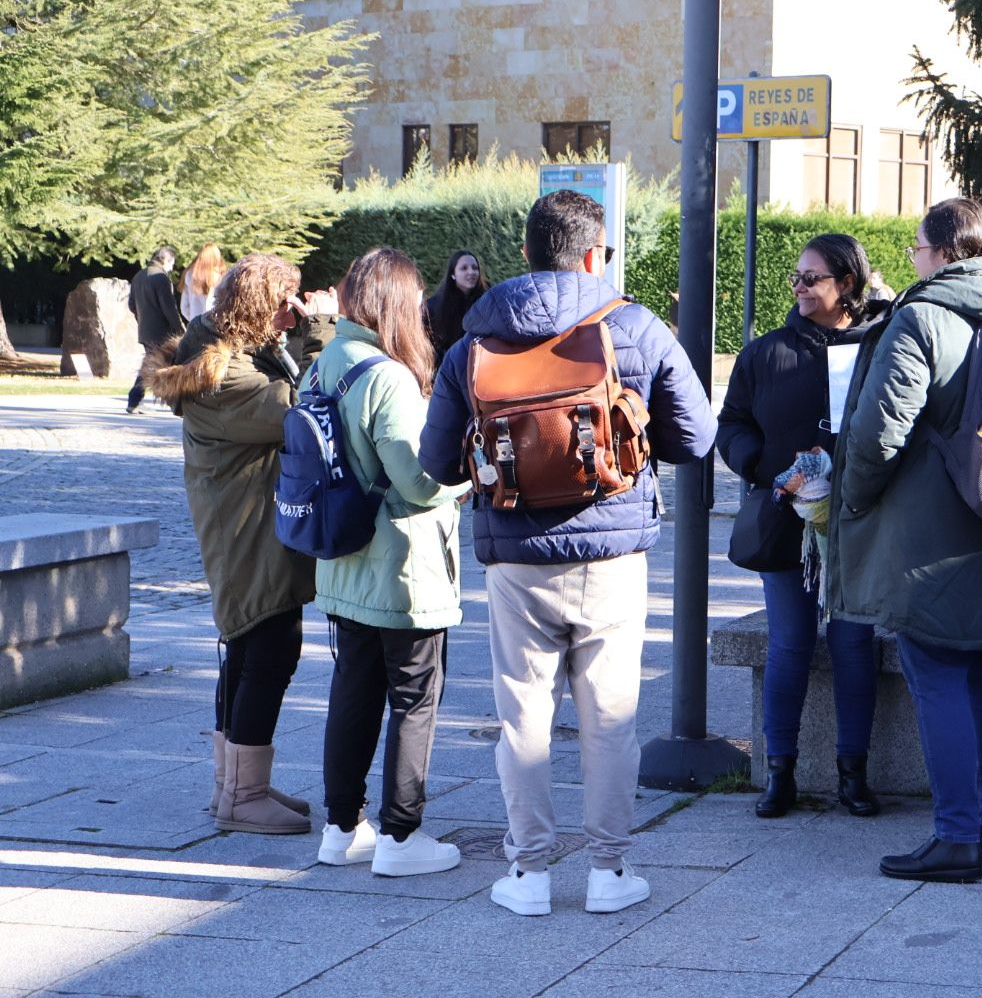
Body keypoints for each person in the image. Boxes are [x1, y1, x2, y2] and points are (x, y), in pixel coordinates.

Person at [419, 189, 716, 916]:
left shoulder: (474, 342)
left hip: (516, 559)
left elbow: (439, 463)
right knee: (610, 715)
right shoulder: (635, 328)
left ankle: (527, 875)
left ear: (526, 253)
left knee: (524, 716)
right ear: (595, 254)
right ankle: (609, 873)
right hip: (611, 556)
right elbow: (698, 438)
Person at [828, 197, 982, 883]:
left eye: (917, 250)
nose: (913, 261)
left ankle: (956, 837)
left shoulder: (922, 318)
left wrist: (854, 500)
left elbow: (876, 434)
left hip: (934, 534)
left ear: (942, 255)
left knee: (938, 677)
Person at [145, 254, 338, 835]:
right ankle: (242, 797)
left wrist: (297, 331)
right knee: (269, 648)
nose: (293, 313)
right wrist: (322, 331)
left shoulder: (222, 351)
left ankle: (233, 785)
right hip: (243, 528)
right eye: (286, 303)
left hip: (240, 520)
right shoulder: (222, 375)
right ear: (258, 308)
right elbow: (301, 410)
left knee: (250, 649)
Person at [309, 248, 469, 877]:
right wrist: (469, 477)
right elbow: (420, 480)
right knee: (414, 697)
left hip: (343, 561)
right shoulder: (386, 376)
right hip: (400, 569)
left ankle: (340, 828)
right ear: (399, 305)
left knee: (352, 693)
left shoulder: (322, 364)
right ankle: (402, 838)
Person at [717, 233, 887, 821]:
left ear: (847, 285)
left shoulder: (876, 347)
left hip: (856, 523)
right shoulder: (766, 352)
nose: (799, 286)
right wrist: (762, 466)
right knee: (789, 643)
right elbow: (732, 423)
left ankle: (853, 776)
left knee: (852, 643)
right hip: (785, 521)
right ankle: (779, 773)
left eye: (812, 278)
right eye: (797, 276)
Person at [126, 247, 183, 413]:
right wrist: (180, 329)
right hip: (161, 330)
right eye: (172, 263)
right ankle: (137, 399)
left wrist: (142, 317)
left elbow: (131, 304)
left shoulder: (139, 276)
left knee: (152, 363)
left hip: (145, 329)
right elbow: (169, 307)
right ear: (165, 260)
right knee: (159, 364)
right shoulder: (161, 278)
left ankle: (136, 399)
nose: (172, 267)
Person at [423, 249, 489, 367]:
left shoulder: (488, 300)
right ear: (453, 274)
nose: (471, 272)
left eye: (475, 268)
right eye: (464, 268)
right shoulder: (434, 306)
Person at [181, 244, 228, 322]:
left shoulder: (190, 275)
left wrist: (193, 320)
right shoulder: (221, 277)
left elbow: (184, 307)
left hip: (195, 325)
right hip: (214, 326)